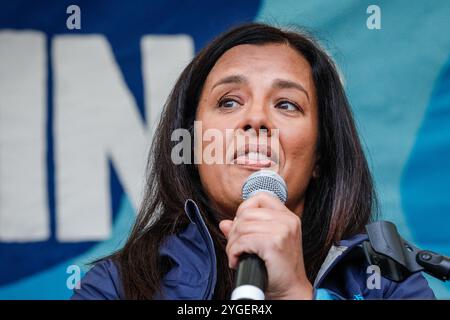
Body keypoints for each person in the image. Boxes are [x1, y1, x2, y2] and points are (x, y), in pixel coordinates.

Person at [71, 22, 435, 300]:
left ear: (320, 155)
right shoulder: (116, 285)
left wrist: (293, 292)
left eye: (286, 104)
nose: (256, 119)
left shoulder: (386, 282)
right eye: (229, 102)